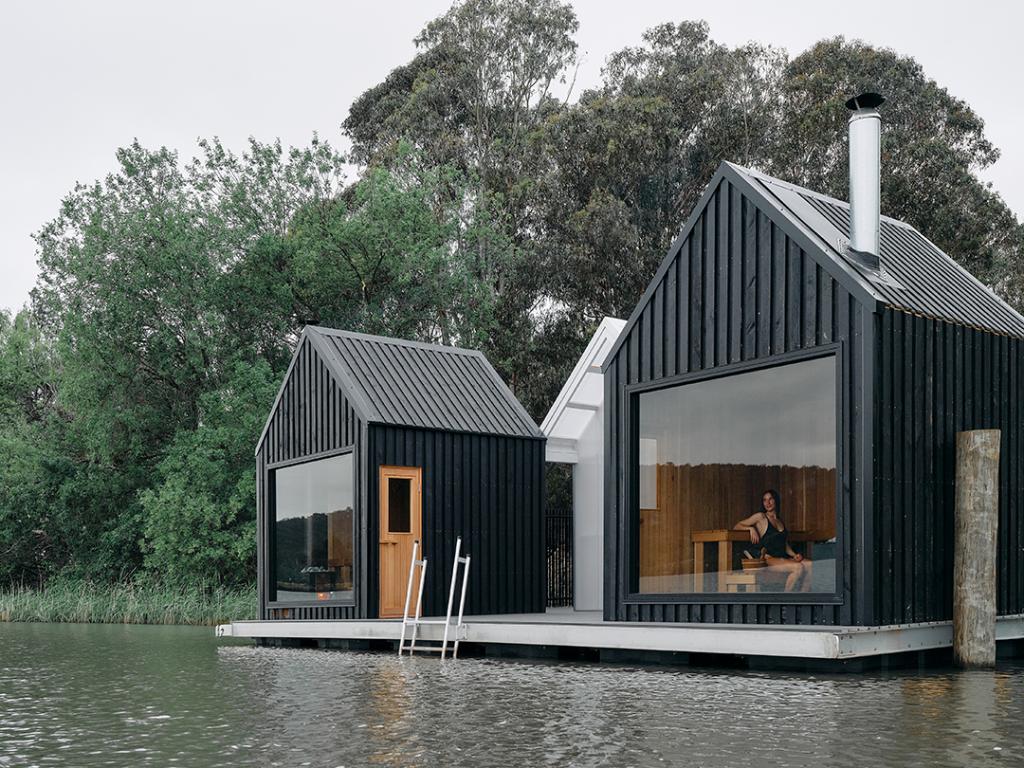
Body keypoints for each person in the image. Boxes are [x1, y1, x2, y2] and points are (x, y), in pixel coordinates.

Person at [733, 489, 812, 592]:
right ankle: (785, 603)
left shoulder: (779, 520)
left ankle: (802, 599)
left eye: (770, 499)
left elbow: (784, 544)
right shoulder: (761, 517)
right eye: (764, 500)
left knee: (811, 565)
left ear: (776, 501)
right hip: (768, 559)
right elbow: (737, 526)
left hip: (781, 557)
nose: (767, 503)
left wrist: (794, 555)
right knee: (798, 567)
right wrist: (750, 528)